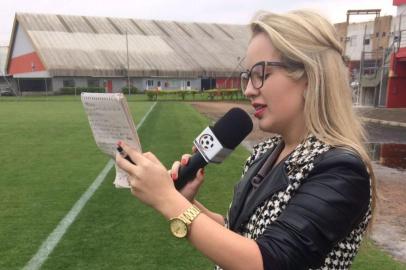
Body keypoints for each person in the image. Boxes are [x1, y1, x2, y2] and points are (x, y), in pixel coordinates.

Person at [116, 10, 375, 270]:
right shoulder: (266, 153)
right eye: (248, 76)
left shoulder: (343, 170)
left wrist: (166, 199)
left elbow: (272, 261)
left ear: (309, 75)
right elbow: (239, 236)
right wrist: (187, 204)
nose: (249, 89)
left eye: (262, 73)